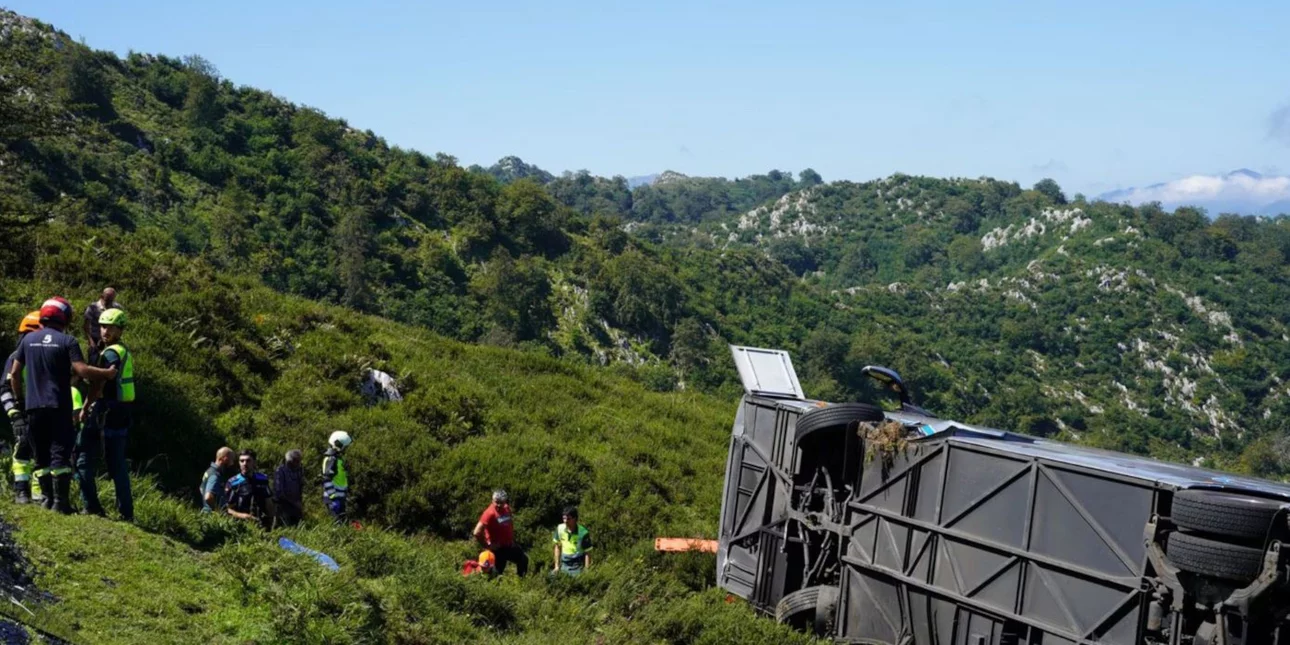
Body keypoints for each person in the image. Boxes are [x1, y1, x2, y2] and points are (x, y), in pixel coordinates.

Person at [7, 297, 117, 514]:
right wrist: (107, 373)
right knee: (60, 454)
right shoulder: (68, 341)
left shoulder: (27, 341)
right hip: (59, 406)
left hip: (33, 407)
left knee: (41, 457)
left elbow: (14, 374)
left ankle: (47, 499)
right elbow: (82, 370)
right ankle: (61, 502)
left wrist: (20, 400)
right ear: (65, 317)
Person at [77, 308, 135, 521]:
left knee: (83, 457)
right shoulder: (122, 350)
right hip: (121, 412)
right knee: (117, 464)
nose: (105, 330)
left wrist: (85, 407)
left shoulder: (110, 353)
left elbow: (98, 385)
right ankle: (126, 513)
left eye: (110, 326)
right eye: (102, 326)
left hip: (105, 411)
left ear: (120, 329)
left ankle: (91, 506)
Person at [3, 311, 43, 504]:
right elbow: (4, 389)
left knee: (43, 451)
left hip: (42, 410)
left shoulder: (45, 355)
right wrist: (14, 414)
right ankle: (21, 491)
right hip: (22, 411)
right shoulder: (14, 358)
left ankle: (39, 494)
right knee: (23, 449)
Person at [473, 489, 528, 576]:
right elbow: (476, 532)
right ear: (492, 500)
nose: (499, 505)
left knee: (523, 559)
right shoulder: (489, 513)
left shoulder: (506, 508)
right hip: (497, 549)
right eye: (496, 502)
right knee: (497, 573)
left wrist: (511, 539)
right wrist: (487, 545)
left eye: (501, 502)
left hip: (509, 545)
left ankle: (521, 582)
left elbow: (509, 523)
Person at [226, 449, 275, 528]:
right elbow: (226, 508)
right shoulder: (233, 482)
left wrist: (272, 521)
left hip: (261, 523)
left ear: (254, 462)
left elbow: (269, 502)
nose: (245, 464)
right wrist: (243, 516)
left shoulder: (262, 479)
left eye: (248, 461)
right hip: (240, 524)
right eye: (242, 461)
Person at [82, 288, 119, 366]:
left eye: (111, 300)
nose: (109, 302)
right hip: (95, 338)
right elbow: (86, 326)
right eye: (107, 299)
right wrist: (91, 341)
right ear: (102, 296)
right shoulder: (93, 307)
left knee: (109, 360)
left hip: (110, 338)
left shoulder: (116, 307)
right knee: (93, 360)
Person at [551, 506, 592, 576]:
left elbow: (588, 553)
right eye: (564, 518)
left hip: (577, 564)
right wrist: (557, 566)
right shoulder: (560, 528)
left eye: (568, 519)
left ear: (575, 519)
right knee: (551, 577)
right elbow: (557, 547)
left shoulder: (583, 532)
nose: (565, 521)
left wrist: (587, 570)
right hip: (564, 563)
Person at [321, 431, 352, 522]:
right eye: (345, 447)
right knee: (336, 523)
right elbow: (326, 479)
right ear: (338, 445)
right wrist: (333, 497)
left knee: (342, 522)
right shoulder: (331, 459)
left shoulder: (337, 459)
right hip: (334, 499)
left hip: (339, 497)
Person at [274, 449, 305, 527]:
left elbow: (300, 486)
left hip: (297, 506)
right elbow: (279, 492)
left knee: (299, 527)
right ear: (289, 461)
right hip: (284, 506)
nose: (299, 463)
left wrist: (299, 503)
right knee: (286, 527)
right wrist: (294, 503)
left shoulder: (299, 470)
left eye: (299, 460)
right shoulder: (280, 471)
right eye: (296, 460)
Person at [200, 447, 234, 513]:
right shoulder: (215, 475)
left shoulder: (209, 471)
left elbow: (201, 488)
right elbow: (208, 497)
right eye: (231, 460)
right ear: (223, 459)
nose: (232, 463)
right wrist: (219, 511)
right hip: (211, 516)